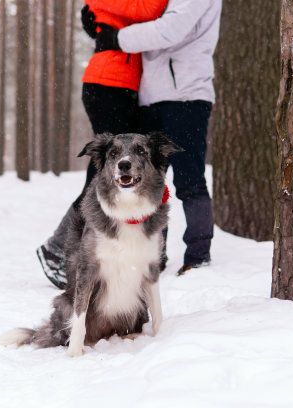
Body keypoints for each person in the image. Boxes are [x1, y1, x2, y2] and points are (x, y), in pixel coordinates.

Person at [36, 0, 168, 289]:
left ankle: (66, 249)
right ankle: (58, 250)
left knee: (108, 176)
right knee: (101, 178)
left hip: (122, 85)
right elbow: (150, 10)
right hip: (107, 84)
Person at [93, 0, 222, 275]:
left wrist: (117, 38)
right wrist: (95, 16)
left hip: (186, 96)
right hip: (152, 97)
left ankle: (198, 257)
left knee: (190, 180)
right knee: (150, 181)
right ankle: (155, 255)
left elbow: (170, 30)